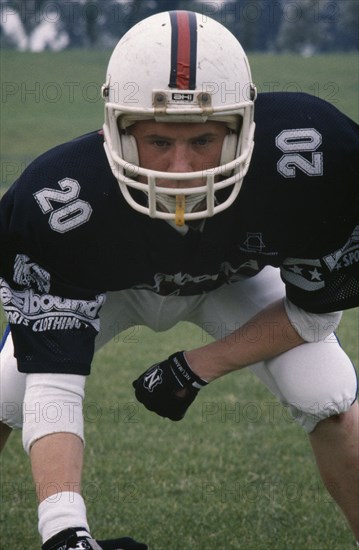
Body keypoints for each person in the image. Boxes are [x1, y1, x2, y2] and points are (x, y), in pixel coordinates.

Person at [0, 9, 358, 549]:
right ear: (116, 129)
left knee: (326, 392)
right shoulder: (58, 200)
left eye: (204, 140)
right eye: (159, 141)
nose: (182, 169)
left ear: (245, 127)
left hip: (232, 283)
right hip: (111, 286)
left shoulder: (312, 157)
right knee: (7, 393)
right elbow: (55, 378)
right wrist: (63, 534)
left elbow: (313, 310)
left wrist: (194, 369)